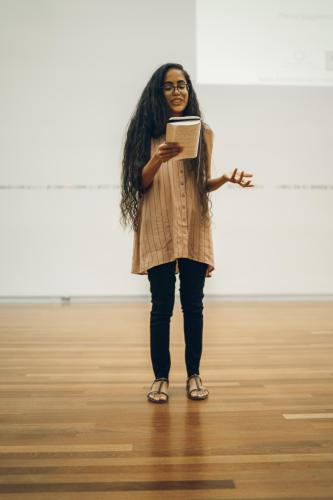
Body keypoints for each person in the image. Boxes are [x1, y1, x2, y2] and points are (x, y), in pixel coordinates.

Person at [120, 63, 254, 404]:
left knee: (194, 306)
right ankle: (161, 378)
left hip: (194, 226)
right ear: (158, 92)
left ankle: (194, 375)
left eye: (182, 85)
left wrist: (223, 179)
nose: (177, 91)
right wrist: (158, 159)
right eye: (169, 86)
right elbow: (139, 182)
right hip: (159, 226)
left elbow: (199, 184)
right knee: (161, 306)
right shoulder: (145, 133)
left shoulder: (203, 133)